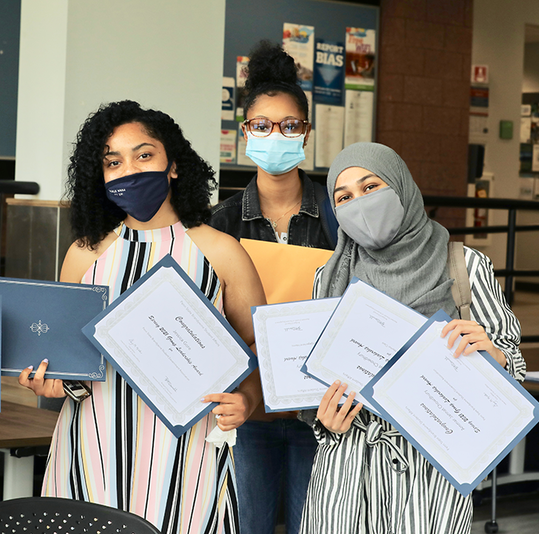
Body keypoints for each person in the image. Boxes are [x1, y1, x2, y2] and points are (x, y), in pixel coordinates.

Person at [18, 100, 266, 534]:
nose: (129, 170)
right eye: (114, 162)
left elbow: (256, 349)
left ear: (173, 164)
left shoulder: (221, 251)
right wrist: (49, 381)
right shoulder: (84, 254)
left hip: (188, 450)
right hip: (92, 443)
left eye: (144, 154)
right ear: (102, 177)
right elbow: (65, 358)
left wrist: (248, 399)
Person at [300, 142, 526, 534]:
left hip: (433, 467)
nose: (360, 203)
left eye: (371, 187)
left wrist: (497, 356)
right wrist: (324, 421)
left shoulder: (464, 264)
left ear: (401, 185)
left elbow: (513, 362)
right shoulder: (329, 276)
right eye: (344, 197)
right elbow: (314, 383)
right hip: (348, 464)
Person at [208, 40, 334, 534]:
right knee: (247, 524)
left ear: (306, 132)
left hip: (320, 411)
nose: (275, 136)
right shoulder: (219, 223)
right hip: (248, 409)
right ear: (245, 134)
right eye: (262, 126)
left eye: (289, 126)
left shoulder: (337, 215)